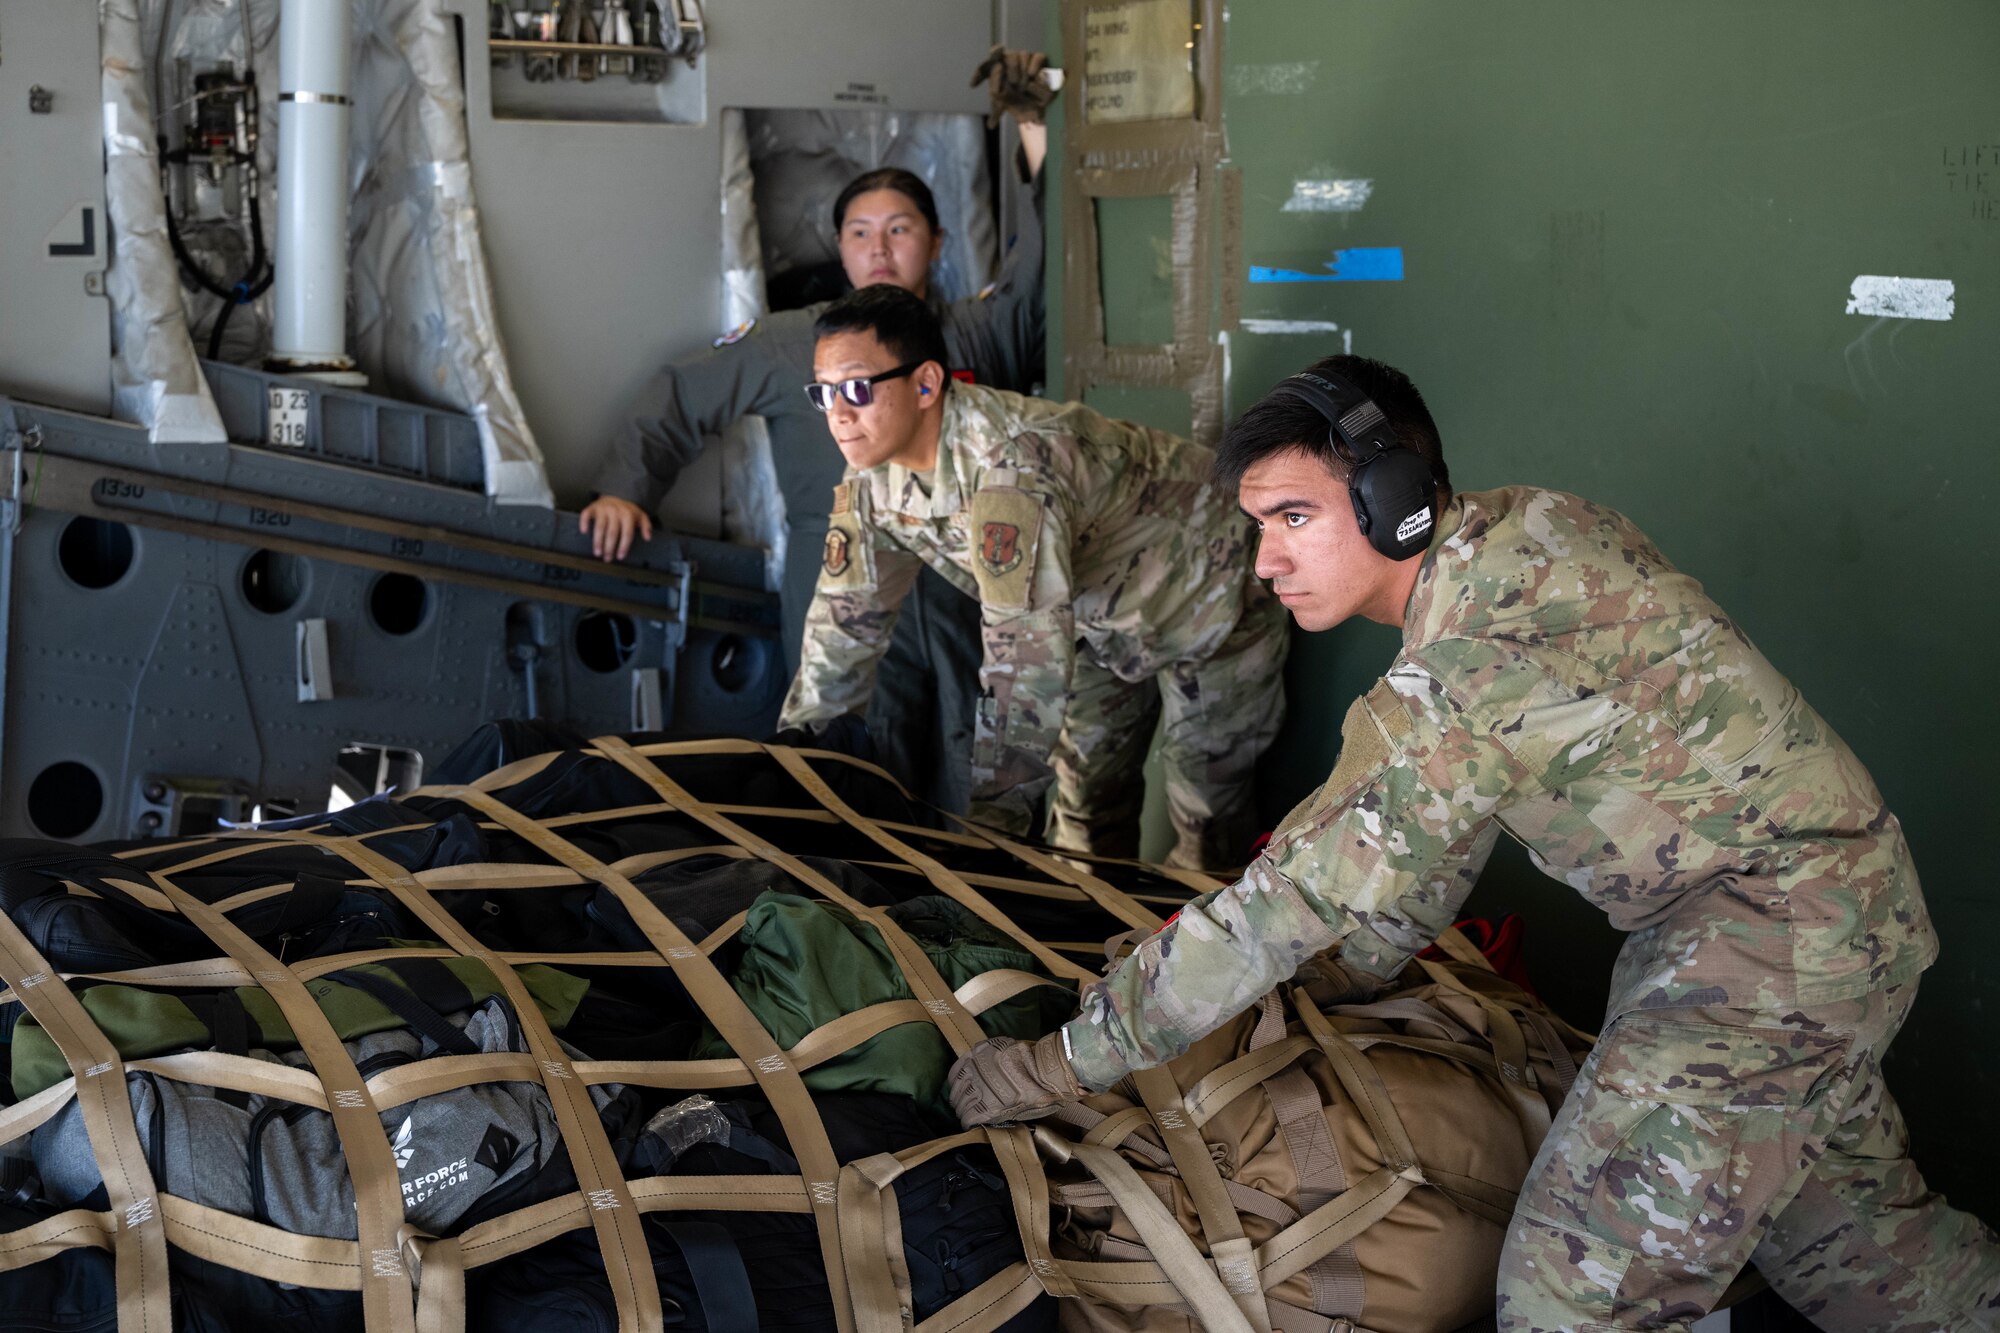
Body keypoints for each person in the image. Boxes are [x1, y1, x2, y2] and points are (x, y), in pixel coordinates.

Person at [946, 355, 2000, 1331]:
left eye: (1293, 517)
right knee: (1866, 1257)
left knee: (1566, 1297)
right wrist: (1345, 981)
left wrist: (1063, 1060)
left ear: (1394, 503)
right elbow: (1434, 843)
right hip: (1808, 915)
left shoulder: (1465, 663)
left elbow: (1287, 896)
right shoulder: (1524, 534)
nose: (1263, 560)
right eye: (1256, 524)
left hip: (1766, 944)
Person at [580, 57, 1055, 812]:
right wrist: (624, 489)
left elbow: (1044, 280)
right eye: (861, 233)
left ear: (934, 244)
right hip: (846, 583)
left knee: (989, 776)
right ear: (839, 249)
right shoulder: (791, 342)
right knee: (854, 777)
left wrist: (1036, 131)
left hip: (973, 585)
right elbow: (681, 392)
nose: (879, 249)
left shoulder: (971, 333)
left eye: (900, 231)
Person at [780, 284, 1288, 869]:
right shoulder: (870, 478)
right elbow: (843, 628)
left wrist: (991, 832)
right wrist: (797, 767)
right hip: (1094, 623)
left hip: (1210, 595)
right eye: (824, 394)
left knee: (1206, 820)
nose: (839, 413)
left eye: (858, 389)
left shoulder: (1011, 464)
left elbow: (1024, 662)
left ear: (925, 384)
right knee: (1084, 822)